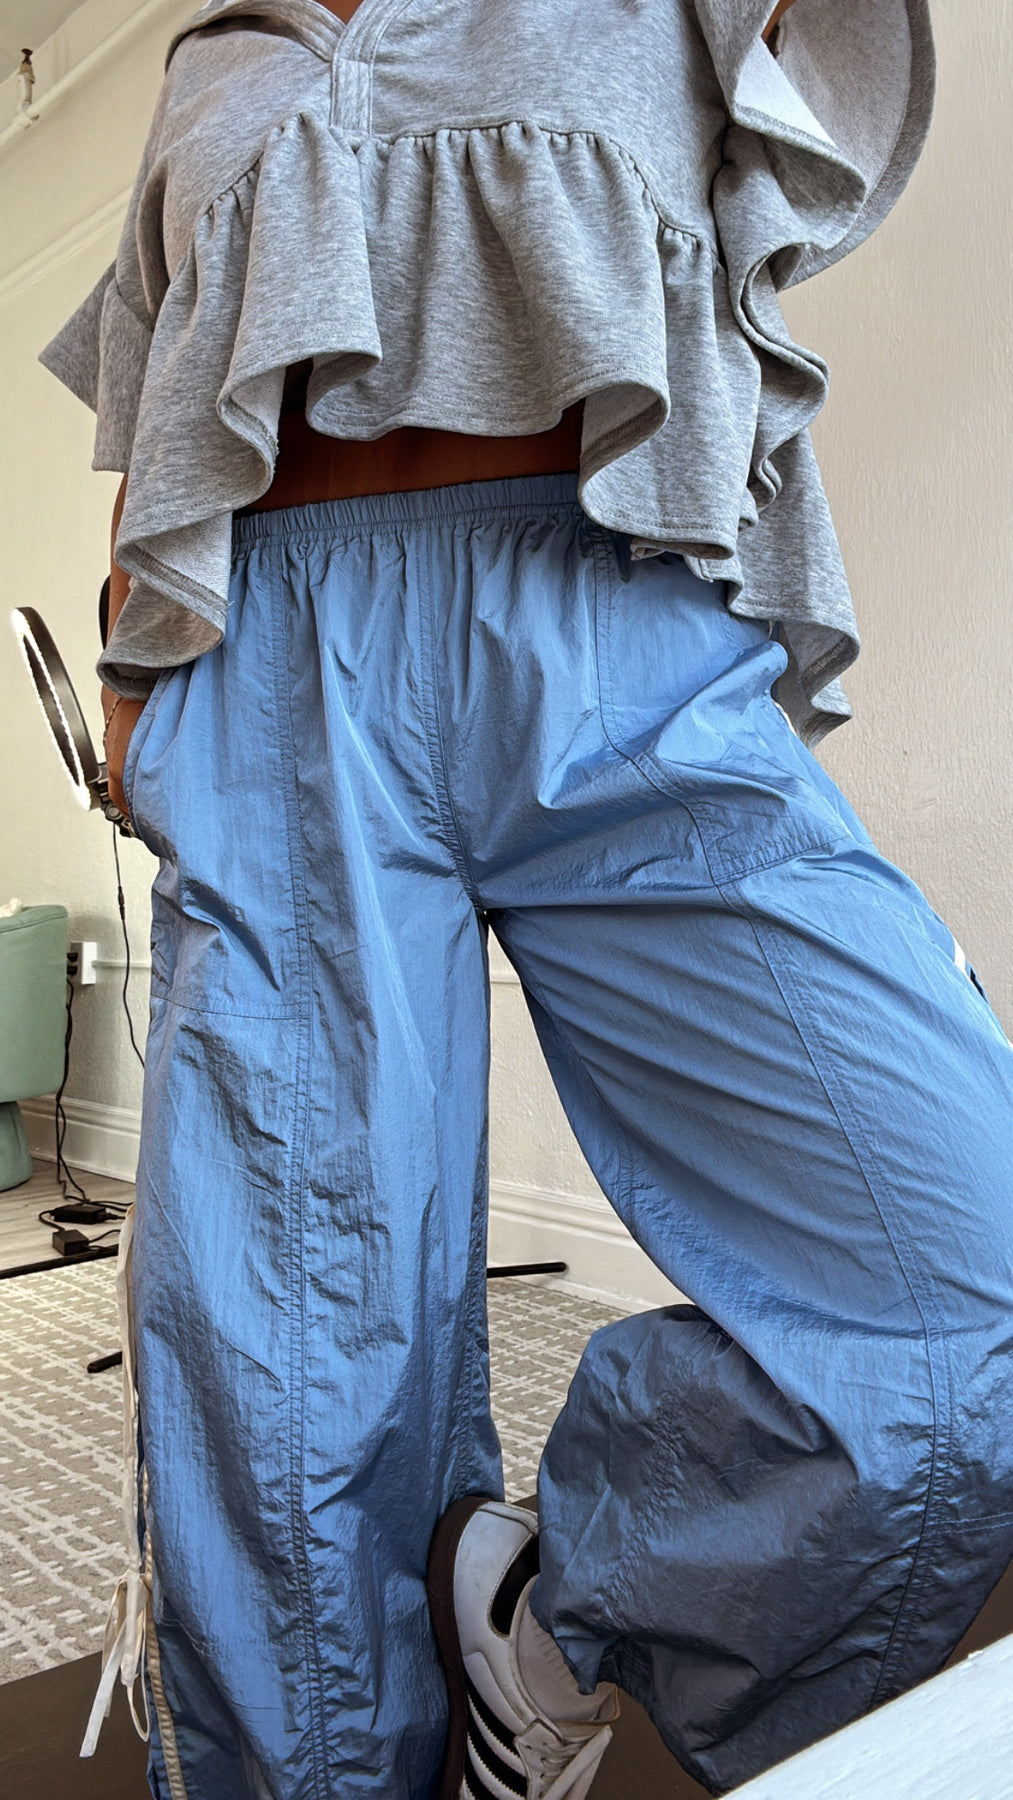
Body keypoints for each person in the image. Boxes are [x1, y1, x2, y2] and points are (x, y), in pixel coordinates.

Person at [38, 2, 1013, 1797]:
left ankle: (550, 1620)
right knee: (284, 1385)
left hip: (614, 616)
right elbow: (168, 397)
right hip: (273, 672)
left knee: (961, 1276)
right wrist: (130, 667)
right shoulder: (215, 54)